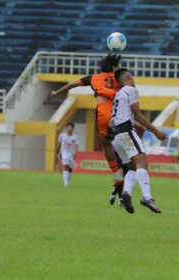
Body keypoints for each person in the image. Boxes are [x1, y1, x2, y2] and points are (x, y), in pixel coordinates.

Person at [51, 54, 124, 200]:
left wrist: (57, 92)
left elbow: (72, 84)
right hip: (118, 112)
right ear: (114, 68)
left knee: (106, 146)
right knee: (123, 147)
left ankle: (117, 175)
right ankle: (124, 176)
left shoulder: (93, 77)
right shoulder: (119, 77)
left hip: (103, 112)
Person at [110, 68, 167, 214]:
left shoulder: (118, 95)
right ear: (128, 77)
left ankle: (126, 193)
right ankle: (147, 197)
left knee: (132, 167)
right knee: (142, 163)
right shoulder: (130, 90)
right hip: (126, 132)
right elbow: (137, 114)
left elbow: (113, 121)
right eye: (132, 77)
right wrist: (156, 132)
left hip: (116, 137)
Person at [56, 123, 79, 187]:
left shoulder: (75, 137)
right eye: (68, 127)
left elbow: (76, 145)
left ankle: (67, 181)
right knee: (66, 166)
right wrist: (57, 152)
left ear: (73, 129)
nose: (70, 128)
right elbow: (59, 144)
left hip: (71, 154)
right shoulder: (62, 136)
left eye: (71, 127)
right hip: (64, 153)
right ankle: (66, 184)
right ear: (66, 128)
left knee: (70, 168)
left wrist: (75, 153)